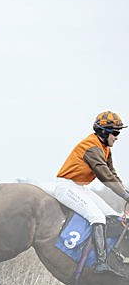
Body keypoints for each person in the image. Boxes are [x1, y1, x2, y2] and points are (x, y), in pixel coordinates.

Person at [54, 111, 128, 274]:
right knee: (97, 217)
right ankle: (100, 263)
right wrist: (125, 196)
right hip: (66, 186)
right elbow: (105, 176)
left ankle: (112, 255)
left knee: (113, 215)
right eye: (115, 133)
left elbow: (112, 173)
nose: (117, 137)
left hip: (80, 187)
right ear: (103, 132)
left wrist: (126, 192)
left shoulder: (105, 148)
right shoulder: (92, 147)